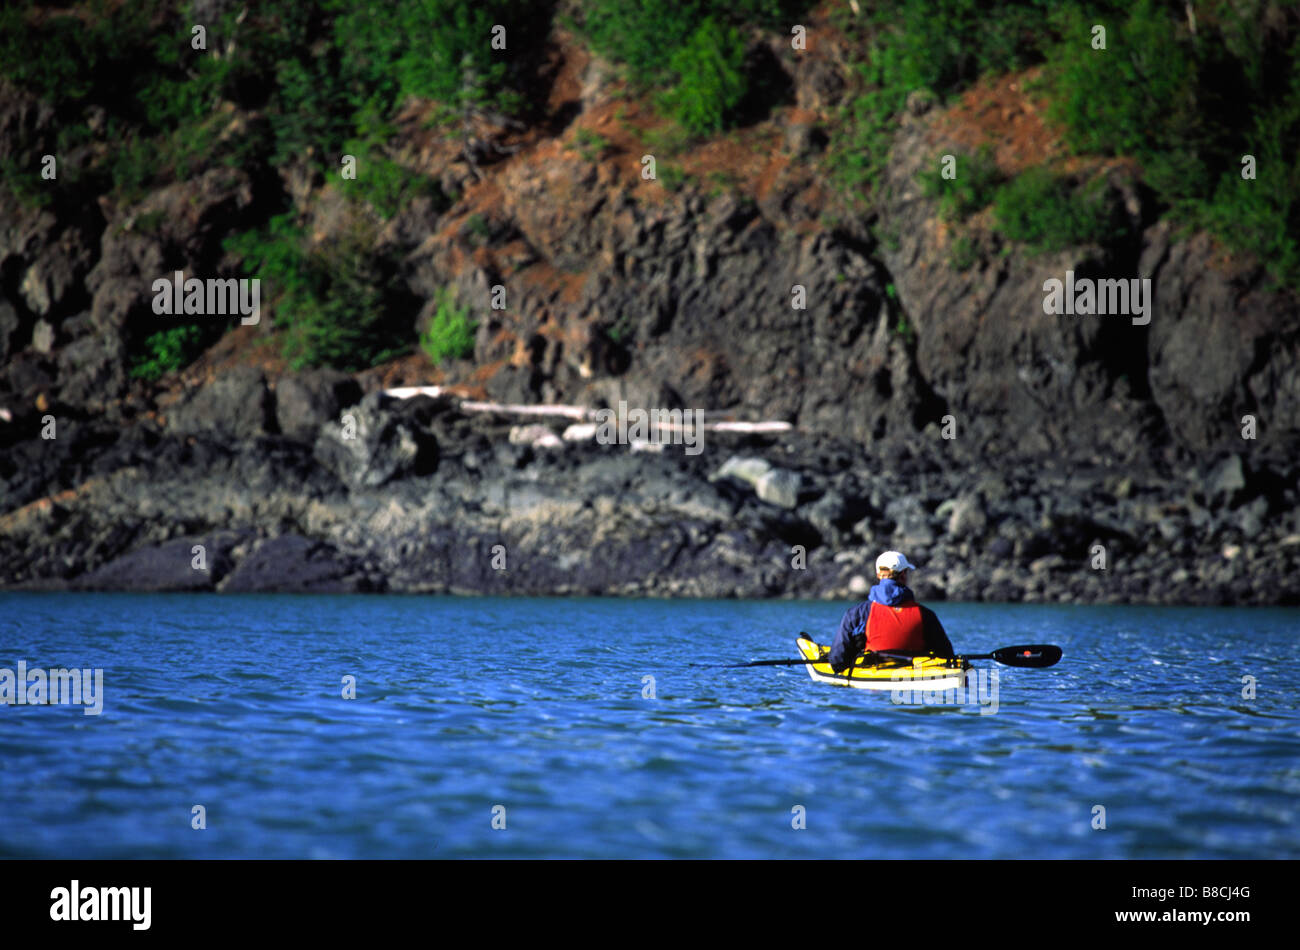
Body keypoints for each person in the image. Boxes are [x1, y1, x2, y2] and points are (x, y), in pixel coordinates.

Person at [828, 551, 954, 672]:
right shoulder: (926, 614)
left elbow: (837, 660)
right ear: (904, 575)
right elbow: (947, 656)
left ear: (878, 575)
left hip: (873, 681)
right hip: (915, 673)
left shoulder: (857, 613)